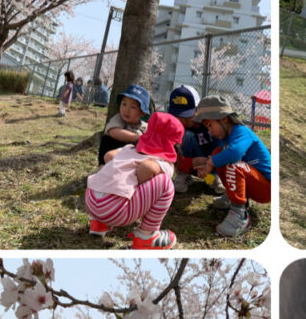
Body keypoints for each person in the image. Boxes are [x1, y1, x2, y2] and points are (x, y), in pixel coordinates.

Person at [85, 111, 185, 250]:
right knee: (166, 183)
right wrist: (138, 185)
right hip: (116, 212)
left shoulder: (129, 148)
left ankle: (99, 224)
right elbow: (147, 167)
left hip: (91, 201)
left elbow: (109, 156)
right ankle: (146, 236)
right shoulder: (162, 161)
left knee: (109, 175)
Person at [190, 94, 272, 238]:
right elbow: (219, 156)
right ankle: (232, 197)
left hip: (266, 188)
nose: (209, 131)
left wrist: (211, 162)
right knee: (220, 156)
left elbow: (235, 153)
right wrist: (208, 165)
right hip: (252, 183)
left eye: (210, 125)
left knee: (232, 163)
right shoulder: (225, 139)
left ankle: (240, 216)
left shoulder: (242, 131)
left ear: (224, 118)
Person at [166, 85, 218, 193]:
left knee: (213, 183)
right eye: (180, 117)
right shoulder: (173, 128)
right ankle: (184, 176)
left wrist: (211, 163)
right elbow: (172, 156)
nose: (185, 120)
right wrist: (190, 163)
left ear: (198, 109)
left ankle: (213, 179)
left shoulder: (209, 123)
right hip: (189, 166)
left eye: (189, 115)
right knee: (185, 135)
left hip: (211, 165)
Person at [97, 84, 151, 164]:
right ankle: (103, 167)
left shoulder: (145, 127)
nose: (126, 110)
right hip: (112, 156)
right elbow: (113, 131)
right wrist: (137, 138)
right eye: (124, 104)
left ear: (142, 112)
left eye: (133, 107)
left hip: (131, 160)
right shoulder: (119, 119)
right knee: (107, 139)